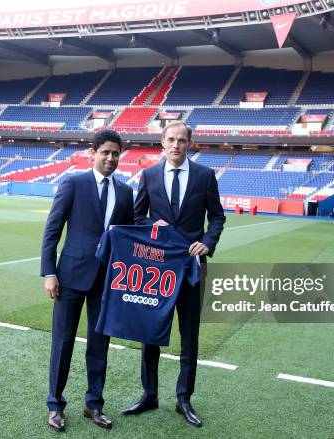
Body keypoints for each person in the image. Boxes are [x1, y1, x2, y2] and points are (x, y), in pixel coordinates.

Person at [124, 121, 225, 427]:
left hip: (192, 268)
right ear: (162, 142)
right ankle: (149, 393)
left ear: (190, 143)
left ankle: (184, 398)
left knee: (189, 334)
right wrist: (155, 228)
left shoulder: (205, 176)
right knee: (149, 332)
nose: (176, 145)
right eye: (171, 139)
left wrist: (207, 243)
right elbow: (138, 216)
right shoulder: (149, 174)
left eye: (182, 140)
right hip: (157, 268)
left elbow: (217, 216)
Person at [41, 129, 134, 432]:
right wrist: (50, 272)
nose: (110, 158)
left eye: (115, 153)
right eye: (105, 152)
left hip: (106, 280)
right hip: (69, 277)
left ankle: (93, 403)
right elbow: (52, 229)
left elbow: (127, 236)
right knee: (63, 343)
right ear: (93, 153)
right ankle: (55, 404)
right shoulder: (73, 183)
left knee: (99, 344)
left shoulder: (125, 193)